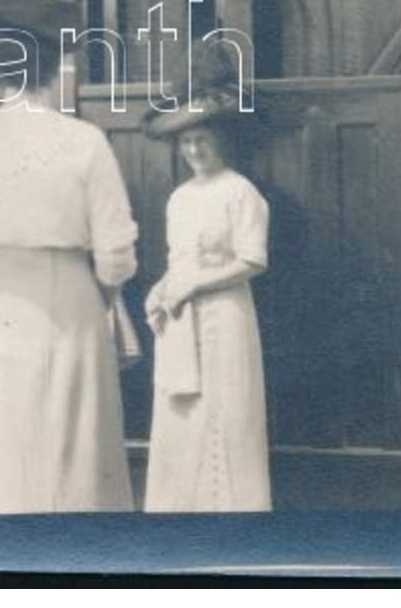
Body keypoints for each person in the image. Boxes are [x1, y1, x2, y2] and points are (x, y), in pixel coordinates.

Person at [0, 0, 138, 514]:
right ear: (55, 64)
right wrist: (102, 293)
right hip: (68, 303)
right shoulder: (83, 142)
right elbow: (117, 253)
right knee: (73, 464)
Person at [140, 83, 272, 512]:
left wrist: (196, 285)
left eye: (201, 139)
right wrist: (160, 291)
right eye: (186, 141)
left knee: (224, 412)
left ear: (221, 141)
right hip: (181, 321)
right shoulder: (180, 198)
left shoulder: (240, 192)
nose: (194, 149)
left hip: (225, 315)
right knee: (184, 415)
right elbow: (178, 261)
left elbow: (253, 260)